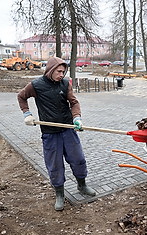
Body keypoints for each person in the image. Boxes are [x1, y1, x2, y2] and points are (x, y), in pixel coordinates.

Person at [17, 56, 96, 211]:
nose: (62, 74)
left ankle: (82, 185)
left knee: (78, 158)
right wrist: (27, 114)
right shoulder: (36, 85)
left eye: (64, 71)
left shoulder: (65, 84)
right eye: (59, 71)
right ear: (51, 70)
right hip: (50, 133)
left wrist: (77, 118)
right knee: (55, 165)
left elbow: (74, 102)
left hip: (67, 129)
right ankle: (60, 194)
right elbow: (21, 96)